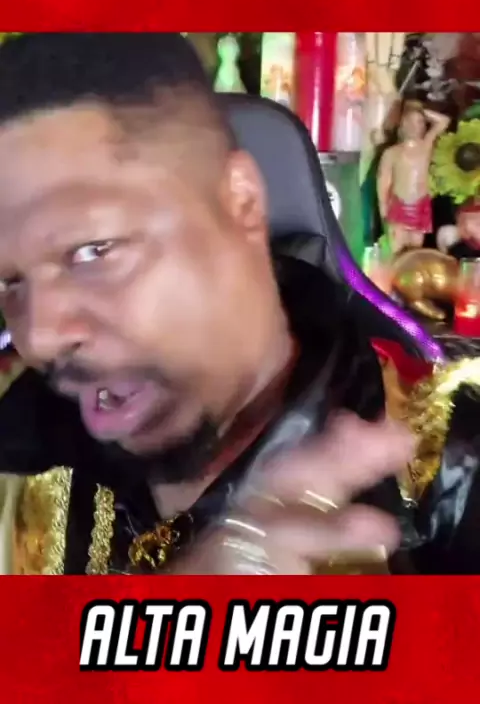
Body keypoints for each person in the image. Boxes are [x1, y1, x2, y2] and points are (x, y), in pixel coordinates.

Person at [0, 33, 429, 575]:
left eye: (93, 251)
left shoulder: (446, 460)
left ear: (241, 200)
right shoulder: (20, 480)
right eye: (8, 282)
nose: (39, 337)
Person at [377, 101, 450, 254]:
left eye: (419, 122)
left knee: (415, 252)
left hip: (420, 207)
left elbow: (444, 121)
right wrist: (383, 208)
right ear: (401, 124)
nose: (413, 126)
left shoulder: (426, 145)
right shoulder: (392, 152)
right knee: (397, 250)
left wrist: (421, 110)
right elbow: (383, 182)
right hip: (399, 207)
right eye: (408, 121)